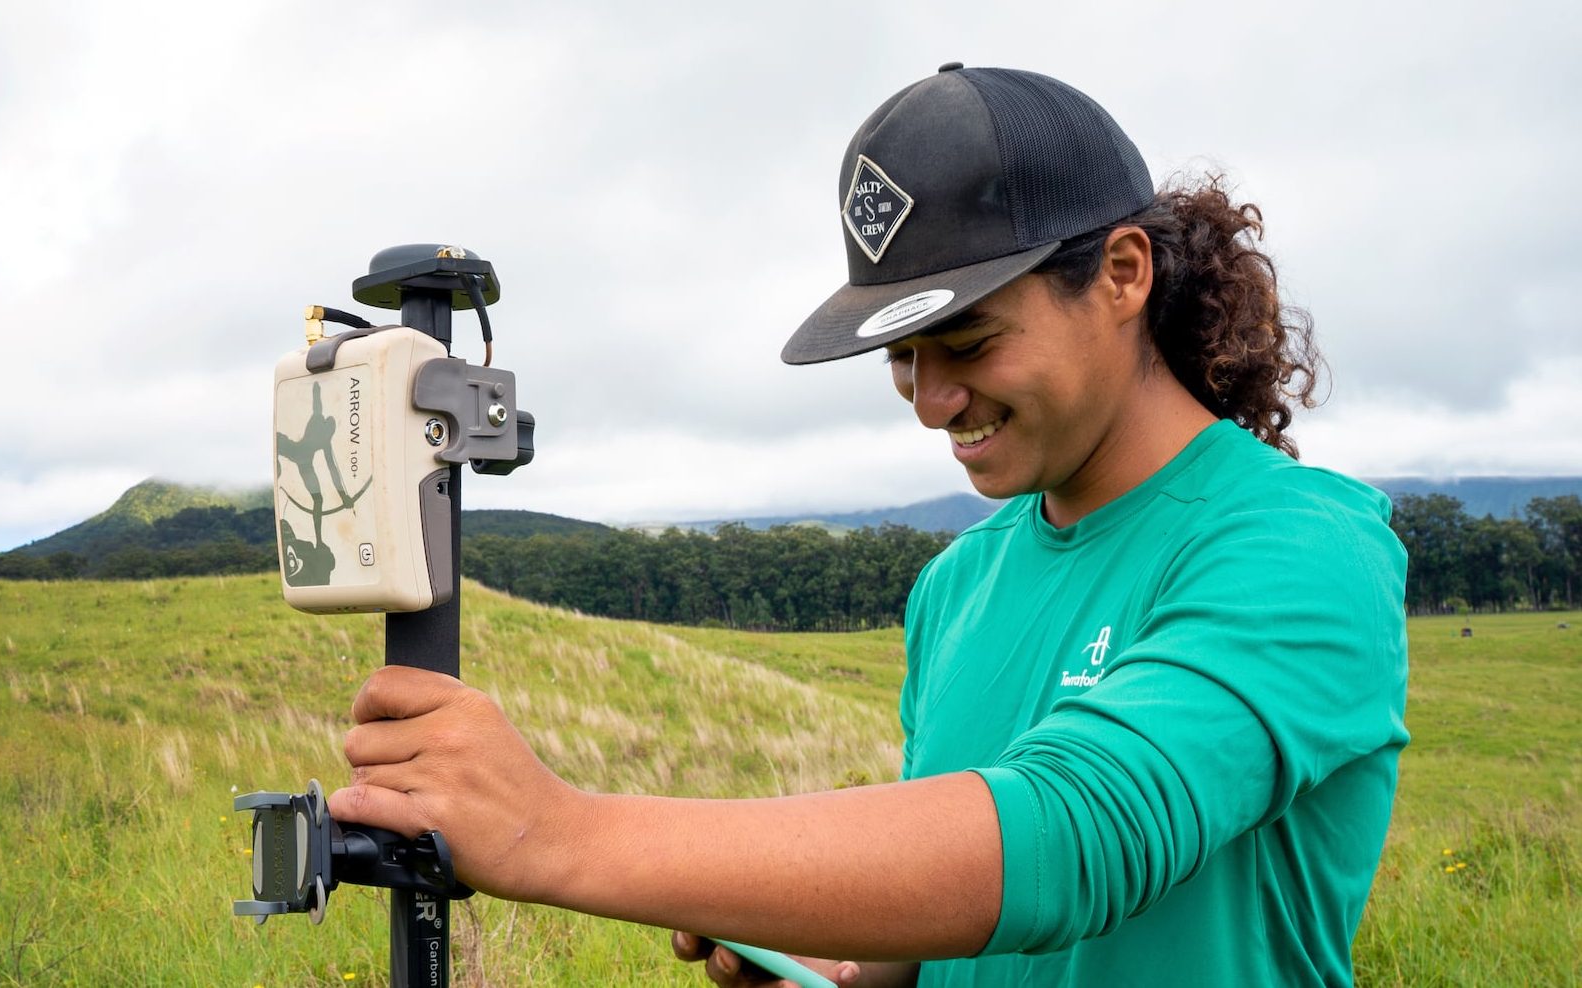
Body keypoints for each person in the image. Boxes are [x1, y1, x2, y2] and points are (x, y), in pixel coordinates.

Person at [327, 65, 1409, 987]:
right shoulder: (956, 586)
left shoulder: (1301, 545)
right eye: (902, 356)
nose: (931, 401)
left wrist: (552, 831)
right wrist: (861, 952)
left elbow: (1077, 837)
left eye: (970, 341)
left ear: (1122, 273)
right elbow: (974, 899)